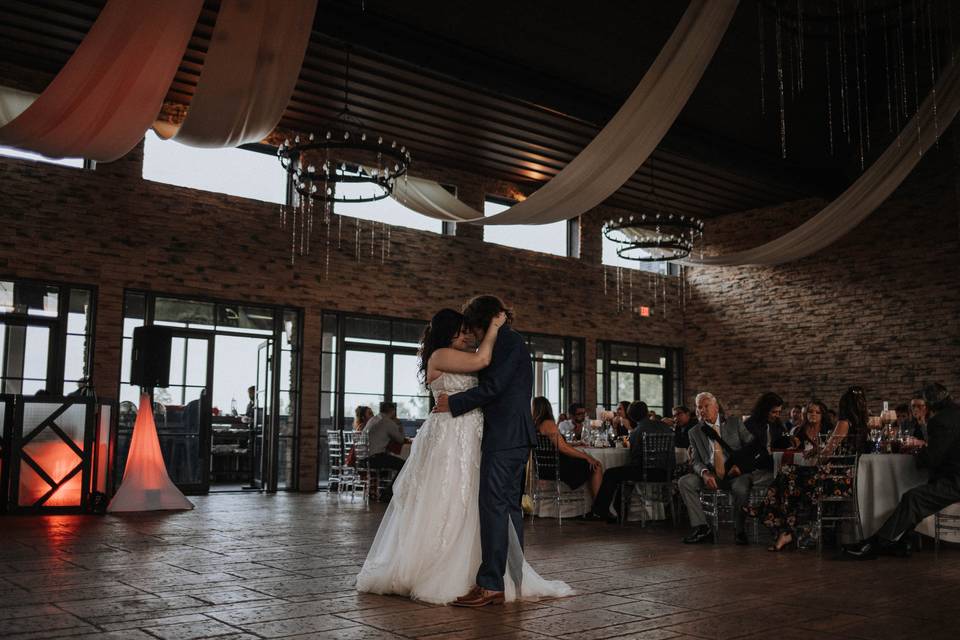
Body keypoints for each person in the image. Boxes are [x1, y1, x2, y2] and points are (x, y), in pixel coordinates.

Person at [357, 301, 570, 606]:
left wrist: (456, 402)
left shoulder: (503, 342)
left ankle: (498, 581)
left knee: (493, 506)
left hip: (493, 434)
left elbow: (492, 383)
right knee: (473, 502)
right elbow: (485, 369)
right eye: (461, 333)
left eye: (469, 329)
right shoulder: (446, 354)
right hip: (461, 434)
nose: (468, 337)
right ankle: (497, 579)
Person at [843, 383, 960, 559]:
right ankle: (900, 542)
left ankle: (878, 544)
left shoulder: (941, 420)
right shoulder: (955, 414)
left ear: (930, 404)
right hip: (953, 477)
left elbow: (932, 459)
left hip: (955, 482)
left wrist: (919, 454)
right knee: (914, 495)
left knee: (912, 498)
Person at [750, 389, 866, 551]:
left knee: (787, 473)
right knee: (790, 481)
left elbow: (825, 456)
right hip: (845, 481)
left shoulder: (843, 423)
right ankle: (786, 530)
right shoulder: (862, 426)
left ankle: (773, 518)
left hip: (831, 480)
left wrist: (820, 451)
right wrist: (819, 448)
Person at [678, 392, 769, 545]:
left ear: (716, 407)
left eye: (706, 406)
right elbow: (696, 461)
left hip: (736, 473)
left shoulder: (734, 423)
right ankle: (702, 528)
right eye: (699, 407)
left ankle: (739, 530)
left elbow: (754, 448)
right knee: (684, 481)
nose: (702, 410)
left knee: (741, 487)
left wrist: (741, 467)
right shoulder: (694, 432)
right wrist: (705, 473)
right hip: (712, 475)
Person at [589, 401, 672, 523]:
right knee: (620, 474)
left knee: (611, 473)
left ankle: (600, 511)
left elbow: (635, 459)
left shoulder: (637, 431)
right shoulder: (665, 427)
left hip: (647, 473)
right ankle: (617, 512)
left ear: (631, 416)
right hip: (667, 472)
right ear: (646, 412)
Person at [532, 396, 602, 500]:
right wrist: (587, 457)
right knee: (596, 465)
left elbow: (553, 445)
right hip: (556, 467)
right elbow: (563, 448)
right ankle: (598, 506)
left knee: (588, 463)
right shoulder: (548, 423)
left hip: (543, 467)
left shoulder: (535, 425)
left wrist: (575, 444)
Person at [361, 402, 409, 473]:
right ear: (393, 411)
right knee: (404, 465)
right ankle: (393, 484)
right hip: (374, 459)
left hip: (362, 458)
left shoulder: (373, 419)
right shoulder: (387, 422)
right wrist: (400, 425)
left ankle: (385, 482)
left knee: (390, 460)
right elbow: (401, 440)